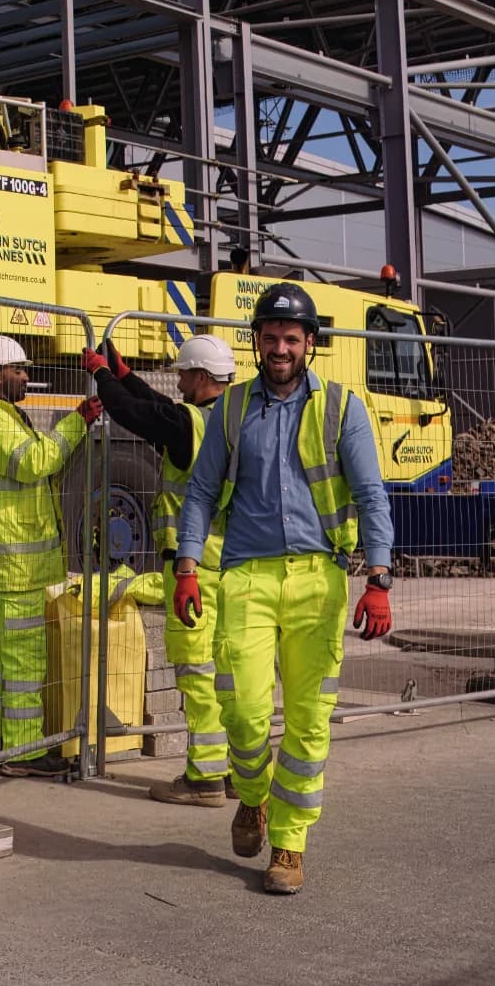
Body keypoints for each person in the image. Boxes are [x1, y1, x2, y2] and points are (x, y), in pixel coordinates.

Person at [174, 282, 395, 894]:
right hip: (245, 576)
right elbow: (199, 492)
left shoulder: (342, 409)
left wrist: (378, 577)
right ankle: (252, 796)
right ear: (256, 343)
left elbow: (372, 494)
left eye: (291, 339)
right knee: (241, 710)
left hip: (318, 580)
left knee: (307, 719)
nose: (279, 349)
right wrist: (187, 566)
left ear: (310, 345)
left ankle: (290, 845)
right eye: (269, 338)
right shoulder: (231, 408)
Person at [84, 333, 236, 805]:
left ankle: (205, 778)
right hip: (228, 566)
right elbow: (160, 415)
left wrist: (102, 376)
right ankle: (236, 770)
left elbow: (140, 416)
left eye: (184, 374)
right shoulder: (229, 418)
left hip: (192, 569)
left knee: (195, 673)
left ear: (202, 377)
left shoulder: (192, 423)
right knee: (230, 674)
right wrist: (128, 376)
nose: (179, 380)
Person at [0, 334, 103, 778]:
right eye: (19, 370)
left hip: (6, 562)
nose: (26, 377)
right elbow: (36, 462)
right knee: (24, 660)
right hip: (15, 565)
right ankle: (22, 752)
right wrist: (75, 423)